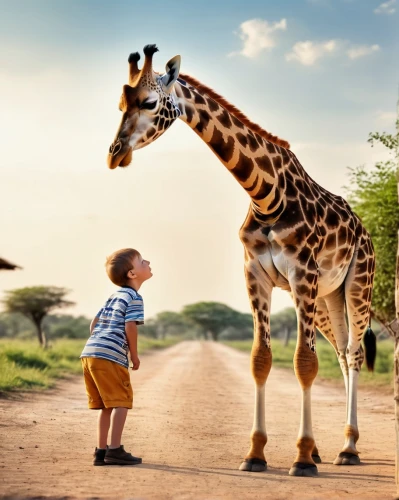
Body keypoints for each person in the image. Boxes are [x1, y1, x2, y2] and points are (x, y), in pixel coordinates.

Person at [80, 248, 152, 466]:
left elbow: (93, 324)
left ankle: (100, 452)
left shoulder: (113, 296)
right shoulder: (134, 297)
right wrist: (134, 355)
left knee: (106, 405)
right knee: (121, 402)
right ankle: (115, 450)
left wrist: (100, 341)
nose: (147, 261)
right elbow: (130, 326)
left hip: (90, 353)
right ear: (132, 274)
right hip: (110, 357)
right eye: (141, 261)